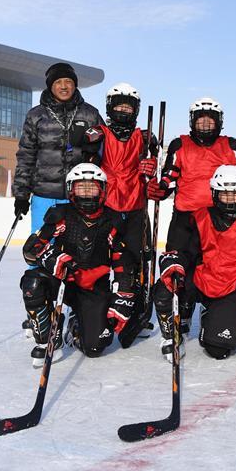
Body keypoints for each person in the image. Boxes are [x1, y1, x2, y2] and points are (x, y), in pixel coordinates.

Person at [153, 165, 236, 361]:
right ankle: (172, 334)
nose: (230, 199)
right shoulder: (199, 217)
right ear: (214, 194)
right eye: (224, 194)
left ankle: (209, 313)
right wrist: (174, 264)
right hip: (202, 280)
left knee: (218, 350)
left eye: (235, 194)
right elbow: (187, 253)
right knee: (164, 288)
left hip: (231, 287)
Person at [146, 97, 236, 335]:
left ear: (219, 123)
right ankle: (183, 308)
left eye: (209, 121)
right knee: (180, 267)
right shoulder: (179, 145)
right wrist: (161, 189)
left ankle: (212, 307)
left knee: (212, 267)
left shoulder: (230, 145)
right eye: (200, 120)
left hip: (218, 220)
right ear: (192, 121)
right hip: (185, 218)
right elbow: (170, 176)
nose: (204, 125)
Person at [20, 164, 138, 365]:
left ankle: (77, 323)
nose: (86, 193)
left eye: (91, 187)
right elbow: (30, 250)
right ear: (70, 189)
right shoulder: (60, 214)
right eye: (80, 187)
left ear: (102, 189)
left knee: (95, 347)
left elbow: (123, 263)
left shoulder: (113, 220)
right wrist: (53, 259)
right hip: (63, 283)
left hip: (93, 288)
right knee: (32, 283)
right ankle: (49, 338)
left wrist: (122, 298)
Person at [81, 83, 159, 346]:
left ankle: (134, 311)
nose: (123, 110)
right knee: (100, 261)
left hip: (135, 206)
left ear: (136, 109)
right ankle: (96, 311)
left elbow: (152, 172)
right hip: (108, 207)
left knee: (135, 261)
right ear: (110, 107)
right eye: (119, 105)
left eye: (128, 106)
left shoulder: (144, 137)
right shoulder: (99, 134)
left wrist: (151, 167)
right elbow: (84, 161)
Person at [12, 62, 103, 232]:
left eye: (68, 82)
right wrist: (21, 194)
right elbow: (26, 156)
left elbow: (106, 150)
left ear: (75, 85)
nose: (63, 87)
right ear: (50, 86)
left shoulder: (90, 114)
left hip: (81, 196)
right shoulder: (36, 115)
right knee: (40, 248)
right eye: (58, 82)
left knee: (77, 250)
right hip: (44, 196)